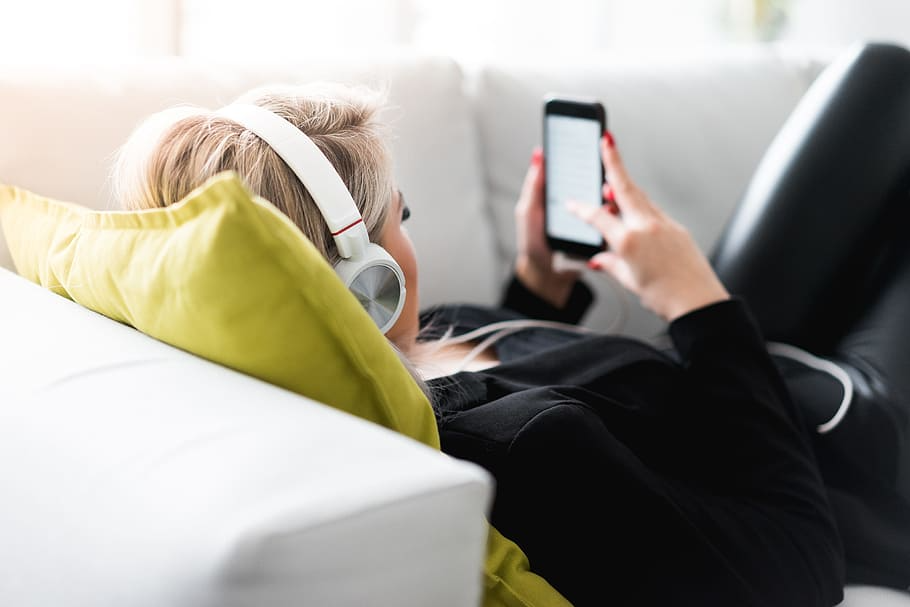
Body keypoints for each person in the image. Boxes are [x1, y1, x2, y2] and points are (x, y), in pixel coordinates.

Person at [111, 42, 910, 606]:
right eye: (404, 216)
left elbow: (514, 371)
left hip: (736, 364)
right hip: (848, 433)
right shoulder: (534, 453)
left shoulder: (386, 354)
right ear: (366, 285)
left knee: (884, 76)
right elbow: (806, 565)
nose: (411, 233)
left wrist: (538, 283)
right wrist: (693, 299)